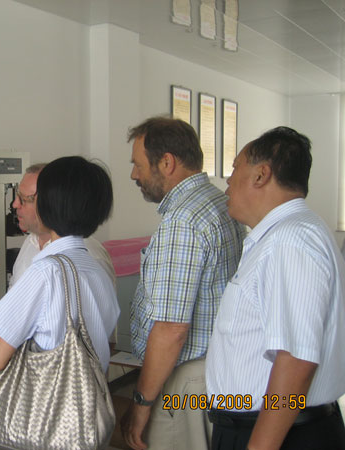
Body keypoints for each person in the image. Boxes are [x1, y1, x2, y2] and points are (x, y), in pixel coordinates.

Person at [206, 126, 345, 450]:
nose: (227, 182)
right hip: (267, 427)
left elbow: (296, 359)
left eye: (234, 169)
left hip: (280, 434)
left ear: (261, 175)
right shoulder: (284, 235)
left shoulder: (289, 241)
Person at [121, 117, 245, 450]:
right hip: (215, 369)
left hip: (185, 378)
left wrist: (141, 403)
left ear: (167, 162)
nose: (133, 175)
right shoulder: (218, 201)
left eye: (138, 164)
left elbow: (171, 329)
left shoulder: (183, 221)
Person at [0, 156, 120, 374]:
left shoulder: (45, 271)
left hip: (48, 393)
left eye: (28, 199)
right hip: (89, 390)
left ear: (48, 205)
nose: (16, 204)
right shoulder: (95, 269)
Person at [9, 162, 116, 287]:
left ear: (51, 202)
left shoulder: (89, 257)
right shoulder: (30, 242)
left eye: (24, 199)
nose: (15, 204)